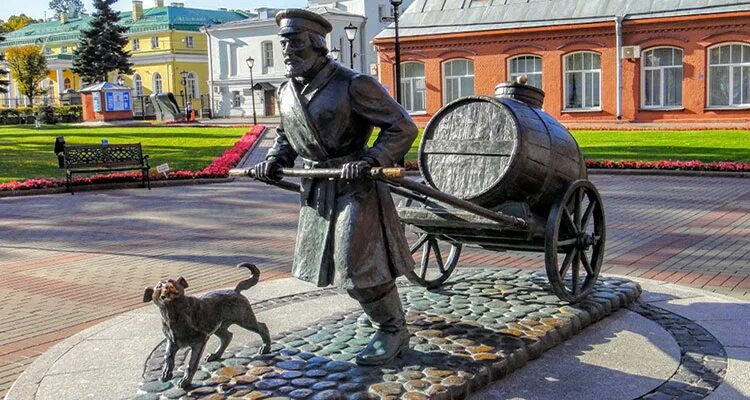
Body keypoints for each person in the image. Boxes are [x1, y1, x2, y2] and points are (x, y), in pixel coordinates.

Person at [253, 8, 418, 366]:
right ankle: (378, 315)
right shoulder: (286, 91)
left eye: (295, 45)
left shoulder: (353, 84)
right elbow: (286, 134)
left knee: (357, 263)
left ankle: (393, 328)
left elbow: (402, 127)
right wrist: (276, 160)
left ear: (316, 45)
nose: (287, 53)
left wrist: (373, 160)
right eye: (284, 45)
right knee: (340, 269)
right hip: (318, 187)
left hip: (354, 185)